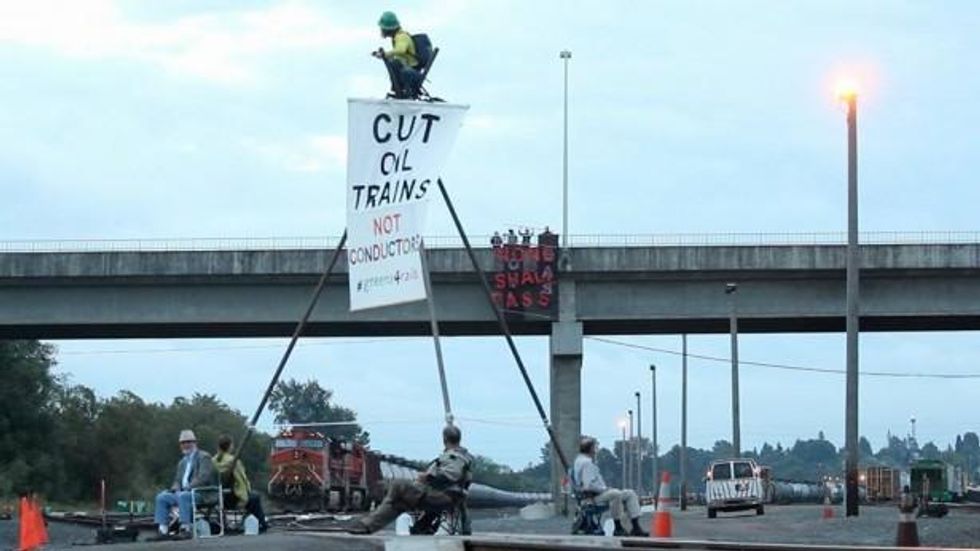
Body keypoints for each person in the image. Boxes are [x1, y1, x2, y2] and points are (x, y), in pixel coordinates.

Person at [349, 425, 473, 534]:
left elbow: (450, 476)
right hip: (444, 496)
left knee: (398, 486)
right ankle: (368, 526)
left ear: (444, 438)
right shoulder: (461, 456)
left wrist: (426, 477)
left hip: (441, 496)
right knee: (399, 503)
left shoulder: (455, 456)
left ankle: (367, 524)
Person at [572, 436, 647, 537]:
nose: (596, 450)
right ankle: (618, 527)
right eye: (595, 447)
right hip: (592, 498)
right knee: (615, 494)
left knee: (630, 494)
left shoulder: (580, 461)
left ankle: (636, 527)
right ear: (590, 449)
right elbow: (588, 485)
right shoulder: (586, 463)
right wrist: (605, 489)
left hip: (596, 495)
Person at [153, 430, 216, 539]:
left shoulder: (204, 457)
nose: (185, 445)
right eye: (183, 443)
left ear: (194, 443)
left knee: (183, 496)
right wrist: (175, 488)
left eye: (188, 442)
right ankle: (162, 530)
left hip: (201, 493)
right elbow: (177, 480)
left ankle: (185, 528)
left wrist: (187, 488)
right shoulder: (182, 462)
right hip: (184, 493)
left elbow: (203, 478)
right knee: (162, 497)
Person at [212, 434, 268, 533]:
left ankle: (257, 522)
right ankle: (260, 523)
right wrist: (245, 495)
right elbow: (242, 480)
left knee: (253, 497)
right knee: (254, 497)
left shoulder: (213, 461)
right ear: (230, 446)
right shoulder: (233, 461)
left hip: (218, 497)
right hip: (233, 498)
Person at [371, 11, 420, 99]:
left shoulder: (401, 36)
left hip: (411, 73)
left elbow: (401, 50)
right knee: (394, 63)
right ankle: (399, 90)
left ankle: (404, 91)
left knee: (395, 63)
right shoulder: (397, 37)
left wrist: (385, 54)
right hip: (408, 71)